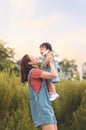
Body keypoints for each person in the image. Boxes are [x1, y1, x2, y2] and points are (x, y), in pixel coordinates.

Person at [20, 54, 58, 130]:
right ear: (30, 63)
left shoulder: (37, 71)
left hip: (46, 107)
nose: (36, 57)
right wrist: (50, 62)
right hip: (42, 109)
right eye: (33, 56)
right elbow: (54, 75)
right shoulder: (34, 72)